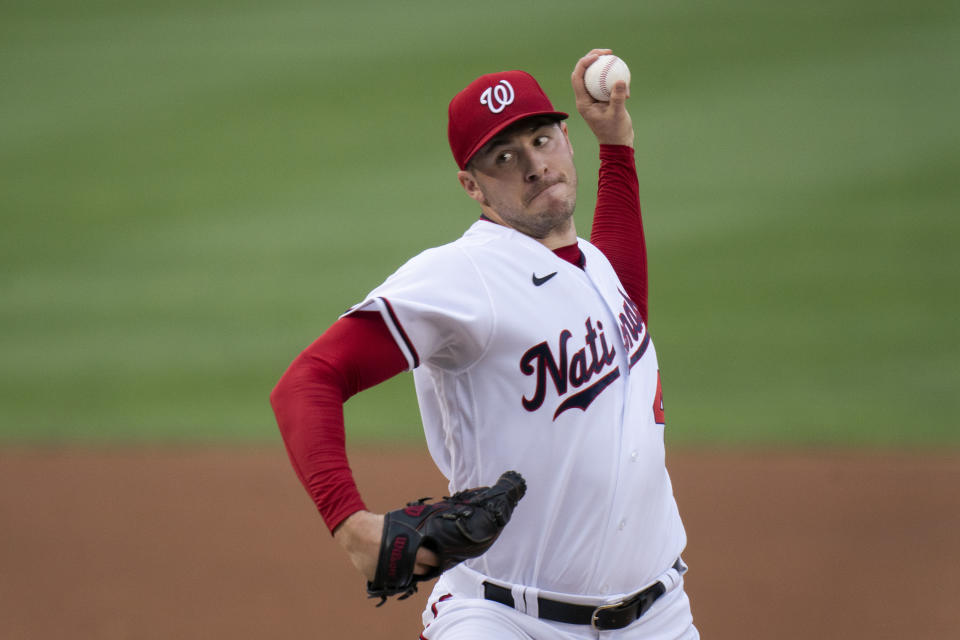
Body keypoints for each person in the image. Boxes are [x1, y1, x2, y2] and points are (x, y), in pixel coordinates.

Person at [270, 48, 699, 639]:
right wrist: (350, 523)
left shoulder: (591, 265)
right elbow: (308, 379)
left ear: (567, 142)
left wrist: (618, 147)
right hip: (504, 619)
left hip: (659, 616)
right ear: (472, 186)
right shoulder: (463, 276)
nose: (535, 165)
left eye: (542, 140)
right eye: (505, 156)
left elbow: (625, 311)